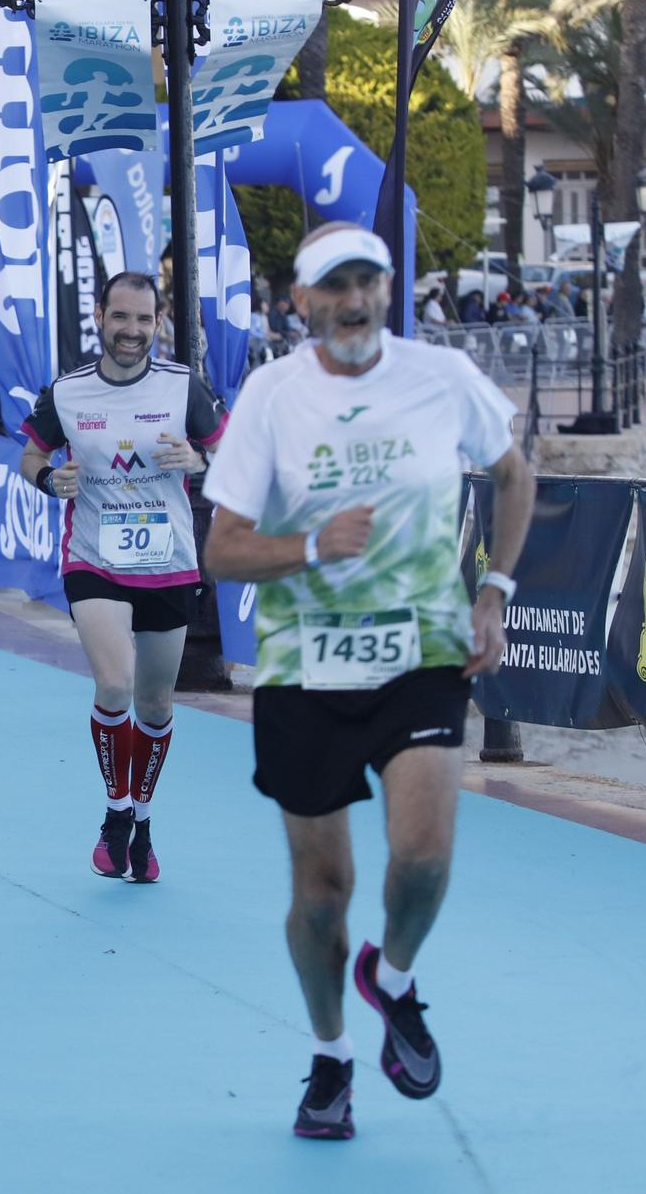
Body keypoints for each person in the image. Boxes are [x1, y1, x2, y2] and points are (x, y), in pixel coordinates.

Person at [201, 222, 533, 1141]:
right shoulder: (270, 396)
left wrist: (495, 590)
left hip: (422, 650)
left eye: (369, 283)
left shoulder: (442, 376)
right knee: (322, 892)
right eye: (334, 286)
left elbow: (513, 473)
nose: (354, 301)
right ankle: (331, 1055)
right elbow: (221, 550)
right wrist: (310, 544)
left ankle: (393, 977)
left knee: (423, 856)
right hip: (304, 662)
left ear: (390, 290)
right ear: (301, 302)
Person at [18, 273, 227, 883]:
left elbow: (235, 452)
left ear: (157, 324)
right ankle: (115, 813)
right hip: (95, 559)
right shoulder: (69, 391)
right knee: (116, 683)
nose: (132, 331)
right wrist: (45, 477)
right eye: (121, 318)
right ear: (100, 316)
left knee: (156, 701)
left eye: (144, 320)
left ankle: (143, 819)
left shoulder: (184, 387)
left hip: (168, 563)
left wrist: (200, 460)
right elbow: (31, 452)